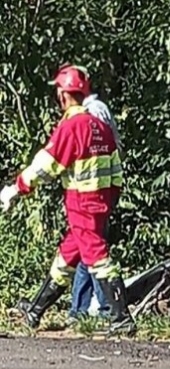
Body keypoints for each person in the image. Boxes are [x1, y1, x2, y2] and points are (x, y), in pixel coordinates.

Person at [0, 65, 136, 336]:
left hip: (81, 204)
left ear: (62, 94)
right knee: (66, 259)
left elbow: (45, 165)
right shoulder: (100, 126)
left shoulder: (72, 126)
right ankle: (35, 311)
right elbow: (116, 171)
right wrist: (109, 199)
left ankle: (121, 318)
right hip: (100, 202)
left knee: (98, 259)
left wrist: (16, 188)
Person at [51, 64, 124, 325]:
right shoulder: (94, 116)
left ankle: (113, 313)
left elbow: (50, 161)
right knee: (77, 253)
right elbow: (114, 155)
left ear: (64, 93)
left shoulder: (83, 119)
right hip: (94, 197)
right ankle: (51, 310)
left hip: (86, 199)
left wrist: (18, 188)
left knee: (93, 255)